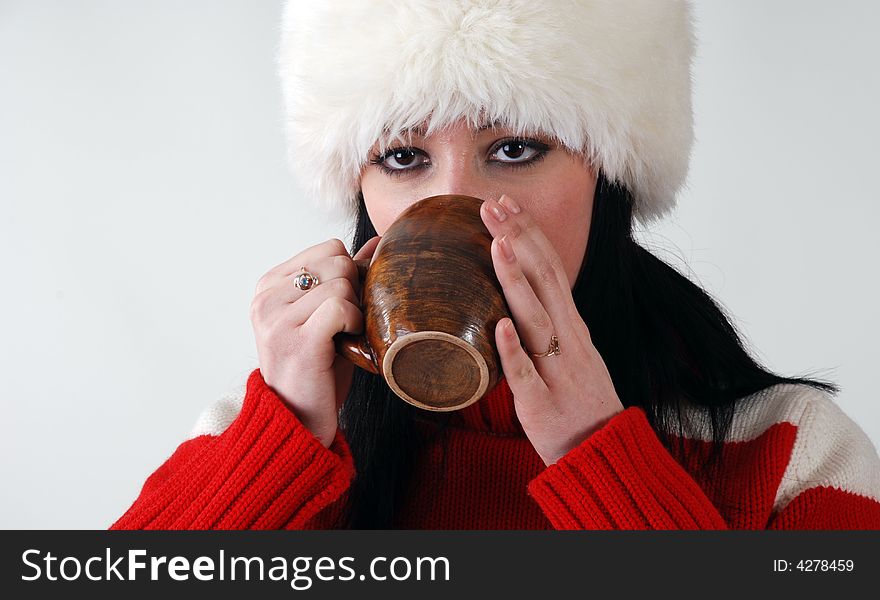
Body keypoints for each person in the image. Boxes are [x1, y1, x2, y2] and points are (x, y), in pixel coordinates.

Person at [112, 0, 880, 530]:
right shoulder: (257, 444)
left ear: (605, 176)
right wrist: (280, 446)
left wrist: (602, 461)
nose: (458, 203)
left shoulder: (792, 450)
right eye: (404, 156)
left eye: (514, 149)